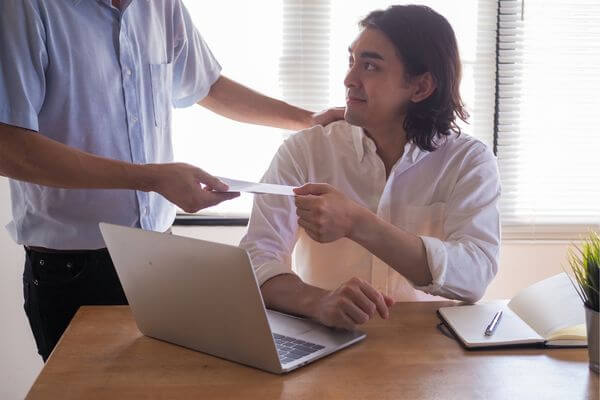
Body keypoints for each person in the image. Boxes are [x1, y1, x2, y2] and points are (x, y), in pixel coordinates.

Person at [0, 0, 342, 361]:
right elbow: (9, 148)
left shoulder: (161, 6)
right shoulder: (25, 7)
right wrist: (151, 179)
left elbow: (207, 86)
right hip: (73, 268)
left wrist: (307, 120)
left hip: (155, 257)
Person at [240, 5, 501, 331]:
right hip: (325, 345)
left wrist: (358, 223)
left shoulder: (469, 162)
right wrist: (318, 302)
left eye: (370, 66)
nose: (349, 79)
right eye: (351, 61)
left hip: (432, 352)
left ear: (420, 87)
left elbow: (475, 275)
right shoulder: (305, 151)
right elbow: (256, 257)